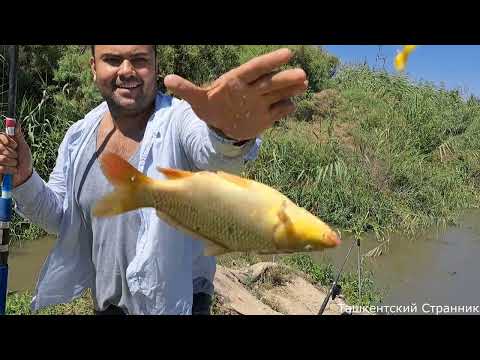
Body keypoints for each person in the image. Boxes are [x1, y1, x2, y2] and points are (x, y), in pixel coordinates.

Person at [0, 45, 308, 315]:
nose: (126, 71)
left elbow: (210, 149)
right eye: (112, 59)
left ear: (156, 66)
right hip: (106, 306)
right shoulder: (77, 137)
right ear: (93, 68)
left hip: (178, 304)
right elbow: (61, 220)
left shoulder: (179, 119)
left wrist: (228, 134)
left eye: (139, 59)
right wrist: (25, 176)